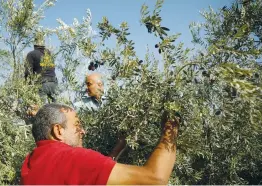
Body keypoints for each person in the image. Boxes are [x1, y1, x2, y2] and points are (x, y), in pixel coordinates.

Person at [20, 103, 178, 185]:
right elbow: (155, 178)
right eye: (77, 125)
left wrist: (119, 146)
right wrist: (171, 128)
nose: (83, 131)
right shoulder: (73, 158)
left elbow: (91, 176)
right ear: (58, 130)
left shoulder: (29, 164)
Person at [25, 32, 58, 104]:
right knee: (57, 109)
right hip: (54, 83)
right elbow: (53, 67)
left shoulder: (31, 54)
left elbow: (28, 72)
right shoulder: (48, 53)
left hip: (42, 84)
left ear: (34, 44)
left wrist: (26, 87)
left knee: (41, 109)